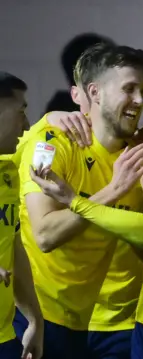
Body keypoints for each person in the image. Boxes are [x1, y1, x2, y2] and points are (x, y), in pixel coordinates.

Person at [14, 43, 143, 358]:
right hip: (34, 314)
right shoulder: (51, 144)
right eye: (129, 89)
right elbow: (45, 235)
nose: (140, 100)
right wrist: (112, 191)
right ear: (95, 92)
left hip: (83, 320)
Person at [0, 72, 43, 359]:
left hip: (5, 337)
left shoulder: (9, 174)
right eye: (21, 111)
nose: (25, 125)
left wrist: (34, 319)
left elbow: (13, 247)